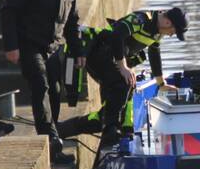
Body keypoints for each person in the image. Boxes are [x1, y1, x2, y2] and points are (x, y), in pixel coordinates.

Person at [0, 0, 84, 164]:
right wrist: (11, 45)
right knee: (40, 85)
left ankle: (51, 141)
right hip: (29, 44)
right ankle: (51, 140)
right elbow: (8, 11)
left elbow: (72, 23)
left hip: (53, 47)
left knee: (55, 93)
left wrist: (78, 52)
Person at [65, 8, 188, 145]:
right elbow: (117, 35)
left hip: (113, 61)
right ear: (167, 22)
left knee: (116, 106)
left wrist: (161, 83)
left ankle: (116, 130)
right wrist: (122, 66)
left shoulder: (158, 31)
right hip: (100, 53)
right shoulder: (141, 19)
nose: (171, 35)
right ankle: (110, 130)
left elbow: (154, 52)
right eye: (173, 31)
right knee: (123, 84)